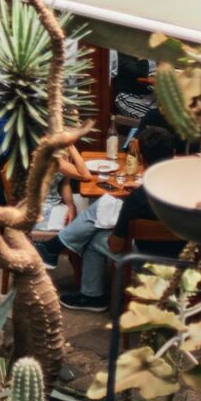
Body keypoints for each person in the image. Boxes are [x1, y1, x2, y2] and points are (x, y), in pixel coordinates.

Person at [34, 126, 177, 312]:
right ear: (174, 153)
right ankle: (55, 248)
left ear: (141, 159)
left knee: (92, 236)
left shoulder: (136, 201)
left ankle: (92, 295)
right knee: (102, 212)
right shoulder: (185, 184)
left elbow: (116, 246)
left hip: (145, 261)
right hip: (183, 257)